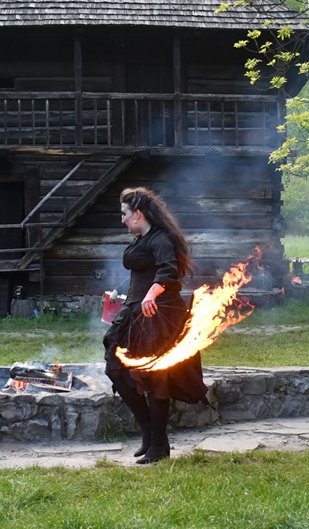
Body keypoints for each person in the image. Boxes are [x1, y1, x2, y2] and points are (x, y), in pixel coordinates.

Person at [103, 187, 209, 464]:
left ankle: (160, 444)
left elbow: (167, 270)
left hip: (159, 315)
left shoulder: (161, 238)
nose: (122, 220)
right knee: (115, 368)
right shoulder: (144, 238)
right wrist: (120, 290)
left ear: (137, 214)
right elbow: (144, 271)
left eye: (124, 214)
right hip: (135, 313)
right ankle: (149, 432)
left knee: (156, 379)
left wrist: (151, 294)